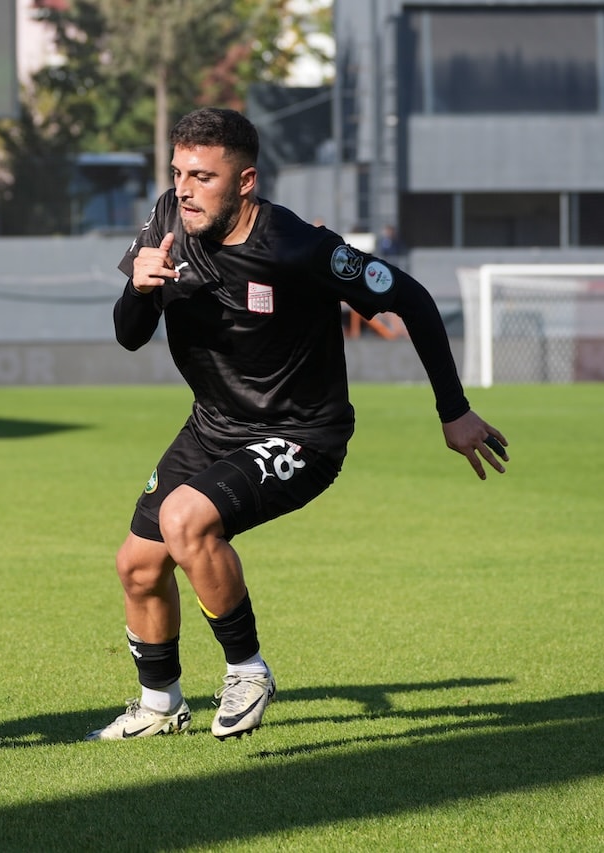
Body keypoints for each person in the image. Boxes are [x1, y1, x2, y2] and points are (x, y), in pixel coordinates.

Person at [85, 108, 508, 743]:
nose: (185, 190)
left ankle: (248, 672)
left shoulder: (297, 247)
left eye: (203, 176)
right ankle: (159, 705)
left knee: (184, 520)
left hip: (302, 434)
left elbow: (412, 299)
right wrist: (139, 291)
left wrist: (454, 411)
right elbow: (129, 335)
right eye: (178, 173)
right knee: (138, 566)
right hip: (213, 426)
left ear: (245, 181)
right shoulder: (169, 218)